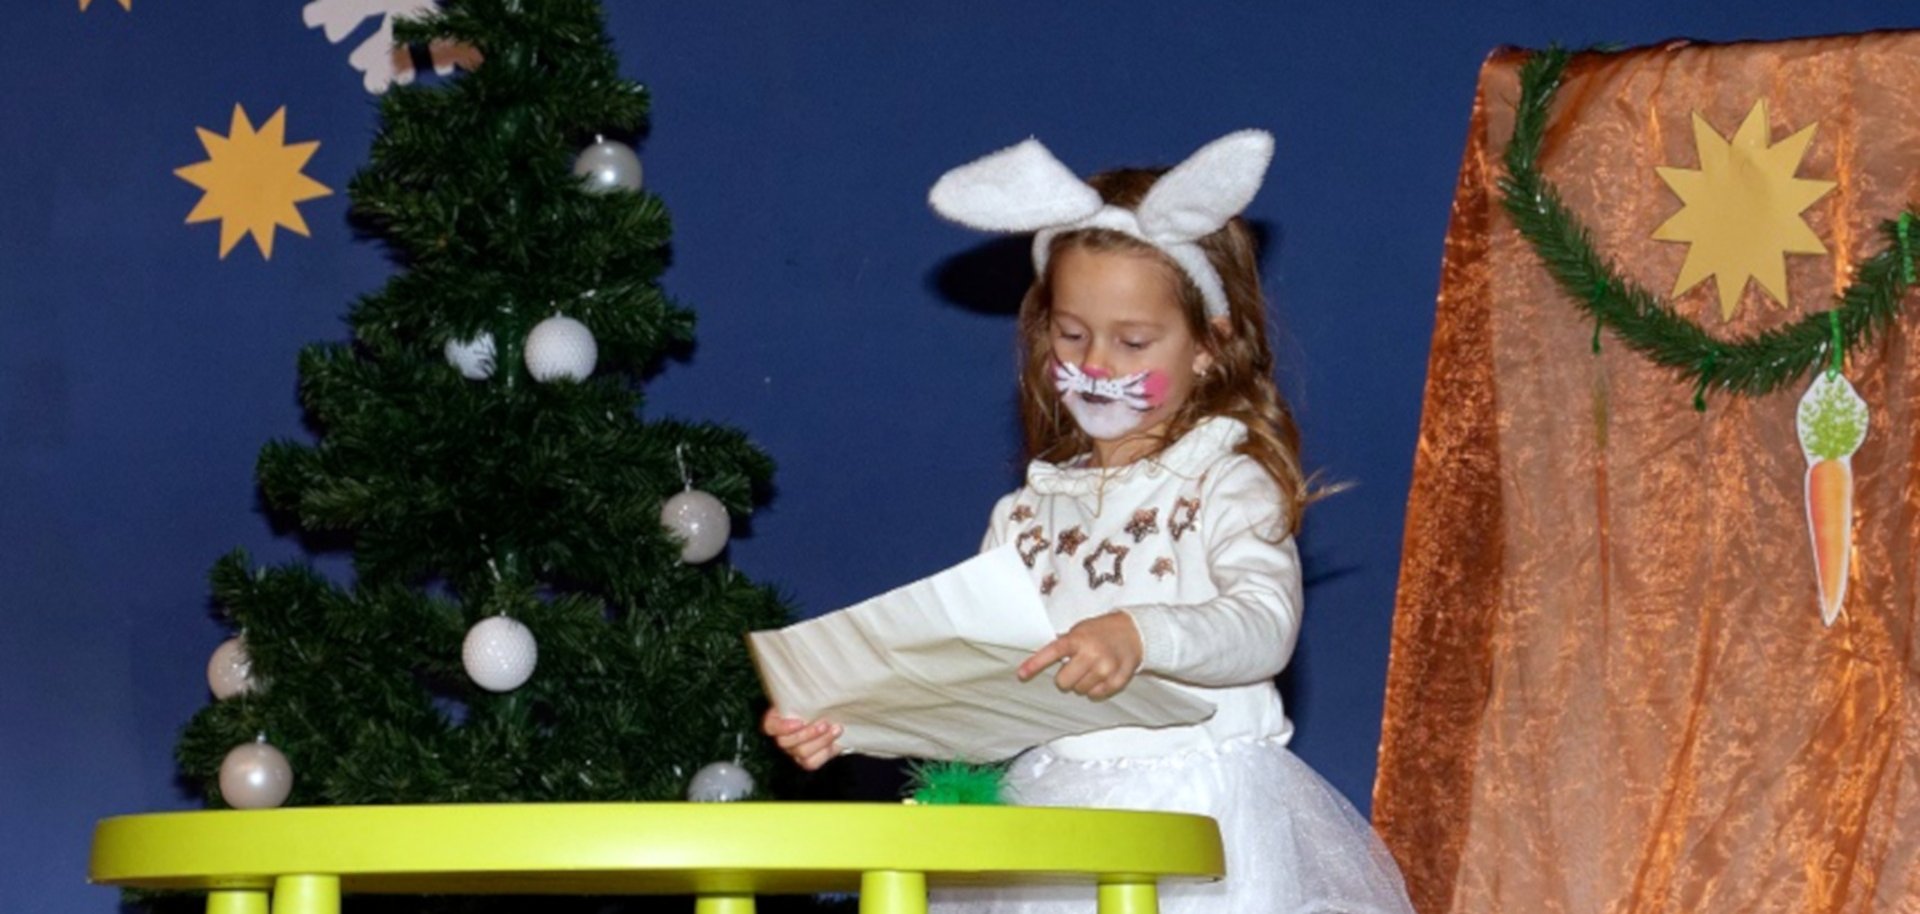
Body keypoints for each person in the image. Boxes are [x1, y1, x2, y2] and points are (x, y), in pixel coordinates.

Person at [763, 130, 1413, 914]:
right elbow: (987, 687)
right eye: (1073, 334)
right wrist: (854, 719)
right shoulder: (1026, 517)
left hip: (1203, 820)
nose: (1097, 364)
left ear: (1211, 345)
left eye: (1133, 341)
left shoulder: (1224, 484)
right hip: (1056, 817)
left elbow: (1263, 624)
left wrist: (1142, 634)